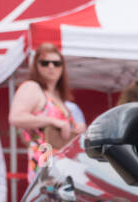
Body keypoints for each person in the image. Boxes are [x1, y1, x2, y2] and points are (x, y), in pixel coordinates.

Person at [10, 43, 84, 185]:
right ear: (36, 66)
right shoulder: (32, 87)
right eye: (45, 63)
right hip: (45, 165)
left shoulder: (58, 97)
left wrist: (76, 129)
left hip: (63, 167)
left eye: (56, 63)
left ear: (62, 67)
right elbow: (16, 117)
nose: (51, 67)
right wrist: (53, 121)